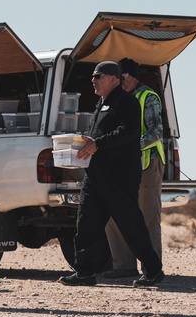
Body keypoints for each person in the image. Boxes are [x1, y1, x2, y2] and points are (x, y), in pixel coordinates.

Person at [58, 61, 164, 288]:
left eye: (98, 76)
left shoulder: (128, 103)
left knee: (130, 224)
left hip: (120, 176)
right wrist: (83, 145)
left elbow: (129, 132)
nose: (93, 80)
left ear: (113, 79)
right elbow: (97, 138)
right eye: (93, 76)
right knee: (86, 223)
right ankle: (84, 272)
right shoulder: (101, 104)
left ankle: (153, 270)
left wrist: (98, 144)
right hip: (96, 175)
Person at [102, 57, 165, 278]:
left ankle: (151, 268)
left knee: (148, 216)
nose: (121, 82)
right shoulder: (116, 100)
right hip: (121, 165)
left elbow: (157, 130)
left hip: (147, 163)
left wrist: (131, 145)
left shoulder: (148, 97)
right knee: (116, 214)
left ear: (133, 76)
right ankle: (123, 266)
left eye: (124, 78)